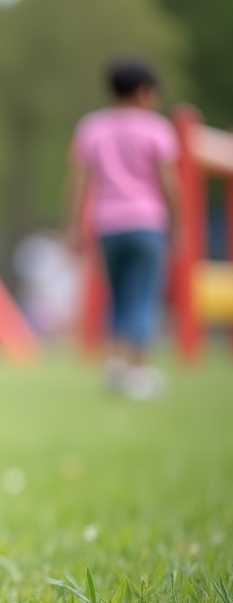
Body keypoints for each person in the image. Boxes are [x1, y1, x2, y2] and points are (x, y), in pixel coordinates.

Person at [65, 59, 180, 400]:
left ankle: (115, 366)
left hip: (108, 223)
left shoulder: (92, 128)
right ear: (145, 92)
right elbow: (170, 183)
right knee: (142, 296)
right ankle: (141, 371)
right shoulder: (157, 128)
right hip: (147, 223)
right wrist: (181, 223)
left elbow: (79, 182)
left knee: (116, 296)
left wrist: (73, 227)